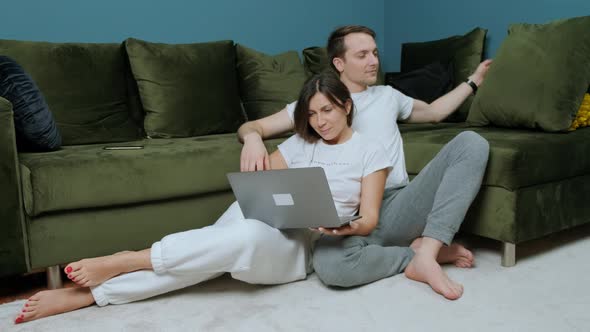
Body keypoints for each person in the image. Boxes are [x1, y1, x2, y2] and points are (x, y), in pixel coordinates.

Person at [14, 72, 393, 324]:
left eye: (327, 110)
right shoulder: (298, 143)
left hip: (301, 246)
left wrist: (342, 226)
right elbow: (265, 188)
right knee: (211, 254)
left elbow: (370, 219)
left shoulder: (370, 151)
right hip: (263, 219)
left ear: (346, 106)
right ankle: (91, 296)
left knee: (237, 241)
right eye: (311, 114)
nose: (320, 121)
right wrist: (259, 154)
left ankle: (128, 259)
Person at [237, 25, 491, 300]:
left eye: (374, 53)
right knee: (332, 268)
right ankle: (414, 255)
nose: (374, 61)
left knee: (471, 143)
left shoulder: (388, 96)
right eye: (362, 55)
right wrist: (252, 138)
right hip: (348, 214)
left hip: (397, 205)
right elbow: (252, 127)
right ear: (339, 63)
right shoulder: (316, 103)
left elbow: (434, 112)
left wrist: (473, 81)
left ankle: (428, 253)